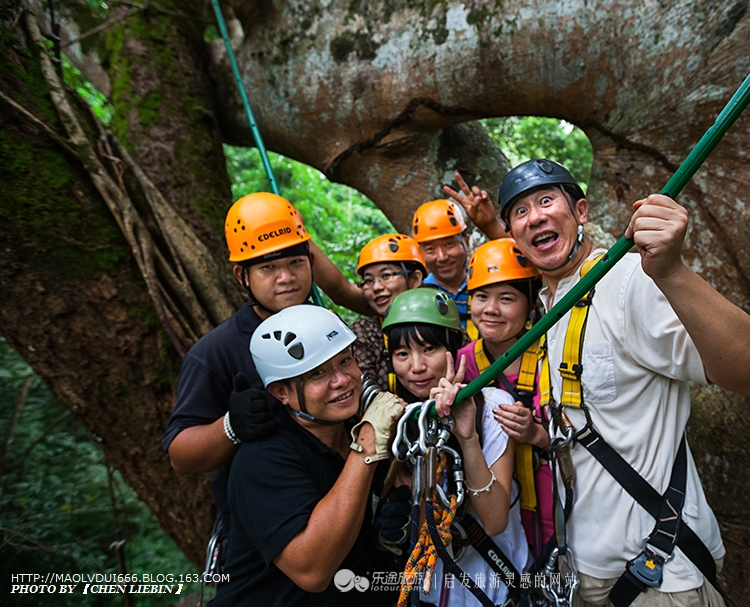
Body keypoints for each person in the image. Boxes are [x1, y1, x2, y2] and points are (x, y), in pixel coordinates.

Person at [464, 159, 750, 606]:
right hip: (587, 569)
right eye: (520, 211)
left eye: (546, 200)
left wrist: (672, 272)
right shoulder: (553, 304)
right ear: (513, 236)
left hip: (659, 573)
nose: (534, 215)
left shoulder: (629, 282)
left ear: (582, 212)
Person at [161, 192, 372, 555]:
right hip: (272, 532)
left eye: (295, 262)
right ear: (242, 275)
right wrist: (231, 427)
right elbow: (180, 454)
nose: (286, 278)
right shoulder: (216, 352)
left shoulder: (328, 326)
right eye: (268, 268)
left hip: (352, 509)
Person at [209, 304, 404, 606]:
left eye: (344, 361)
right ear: (281, 393)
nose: (342, 380)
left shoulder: (350, 432)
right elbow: (312, 570)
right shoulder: (262, 460)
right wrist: (367, 445)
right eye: (318, 374)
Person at [382, 289, 529, 607]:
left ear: (453, 347)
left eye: (429, 348)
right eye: (402, 354)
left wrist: (467, 438)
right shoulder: (399, 420)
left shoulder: (491, 407)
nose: (416, 367)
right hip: (429, 592)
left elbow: (494, 522)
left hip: (490, 587)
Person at [455, 238, 554, 558]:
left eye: (506, 298)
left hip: (557, 506)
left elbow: (586, 435)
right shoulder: (461, 364)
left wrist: (536, 434)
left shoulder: (550, 357)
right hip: (494, 514)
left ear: (529, 303)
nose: (491, 310)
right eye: (481, 296)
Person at [351, 234, 427, 391]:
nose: (377, 287)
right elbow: (362, 386)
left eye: (386, 276)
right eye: (369, 280)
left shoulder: (441, 319)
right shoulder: (365, 332)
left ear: (415, 279)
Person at [410, 199, 472, 331]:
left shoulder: (484, 285)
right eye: (430, 249)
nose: (442, 257)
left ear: (466, 243)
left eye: (449, 244)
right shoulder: (417, 295)